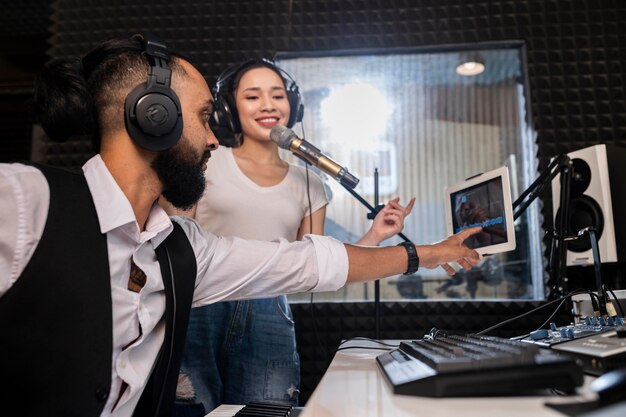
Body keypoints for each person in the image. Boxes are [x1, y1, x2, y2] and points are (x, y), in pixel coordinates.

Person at [0, 34, 481, 417]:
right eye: (206, 116)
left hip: (265, 313)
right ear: (154, 116)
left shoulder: (185, 252)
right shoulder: (25, 200)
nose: (213, 136)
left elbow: (308, 260)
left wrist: (431, 252)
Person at [170, 59, 416, 415]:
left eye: (277, 96)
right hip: (201, 305)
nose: (268, 105)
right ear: (229, 109)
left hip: (270, 311)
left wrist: (376, 234)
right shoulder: (208, 161)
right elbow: (180, 243)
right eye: (253, 96)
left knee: (268, 411)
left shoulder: (310, 183)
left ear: (292, 106)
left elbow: (315, 265)